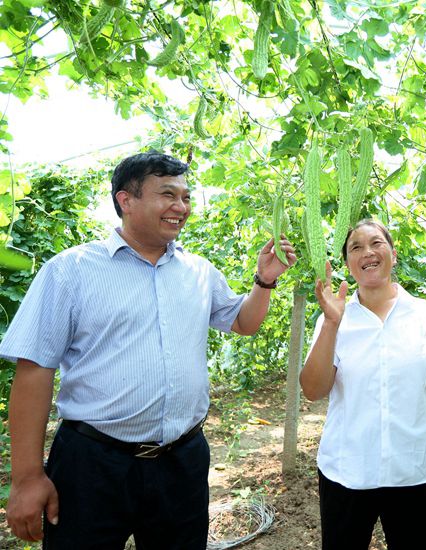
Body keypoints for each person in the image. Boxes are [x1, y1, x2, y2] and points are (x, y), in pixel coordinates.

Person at [0, 151, 296, 548]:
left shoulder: (198, 271)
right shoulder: (71, 270)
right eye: (168, 195)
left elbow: (243, 322)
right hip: (93, 463)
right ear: (126, 200)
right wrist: (27, 477)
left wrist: (264, 281)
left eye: (186, 198)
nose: (181, 207)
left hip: (182, 461)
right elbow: (34, 371)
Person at [300, 219, 426, 549]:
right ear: (348, 263)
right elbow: (313, 390)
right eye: (355, 248)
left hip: (416, 472)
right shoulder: (333, 318)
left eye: (376, 243)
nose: (367, 252)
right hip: (348, 472)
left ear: (394, 254)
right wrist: (332, 323)